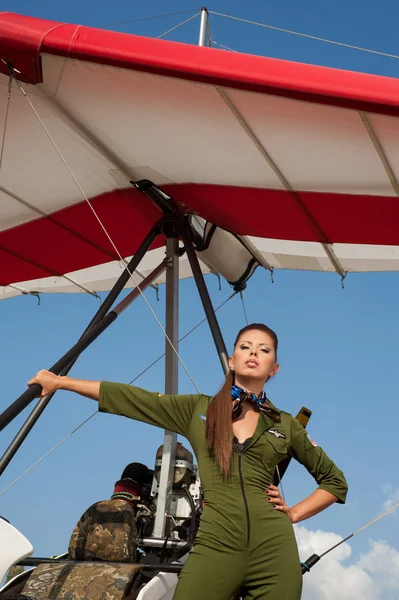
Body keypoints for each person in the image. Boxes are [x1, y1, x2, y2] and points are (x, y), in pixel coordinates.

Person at [29, 323, 347, 599]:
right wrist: (61, 383)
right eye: (245, 347)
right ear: (232, 360)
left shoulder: (285, 425)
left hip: (274, 551)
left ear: (274, 367)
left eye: (264, 350)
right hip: (216, 545)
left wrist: (292, 513)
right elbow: (131, 398)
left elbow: (334, 481)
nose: (253, 353)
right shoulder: (197, 410)